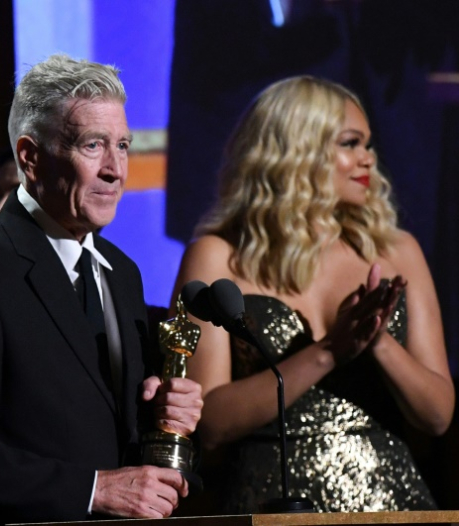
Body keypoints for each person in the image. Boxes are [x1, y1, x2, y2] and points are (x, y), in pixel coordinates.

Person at [0, 54, 203, 525]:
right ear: (30, 157)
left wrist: (165, 418)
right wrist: (94, 490)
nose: (115, 169)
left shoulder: (122, 273)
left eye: (122, 145)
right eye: (93, 145)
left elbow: (106, 428)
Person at [172, 76, 454, 513]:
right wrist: (328, 352)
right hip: (266, 505)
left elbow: (437, 416)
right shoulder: (217, 257)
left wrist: (377, 343)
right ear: (296, 151)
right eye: (350, 143)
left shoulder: (397, 250)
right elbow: (209, 421)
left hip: (389, 503)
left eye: (369, 144)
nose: (368, 159)